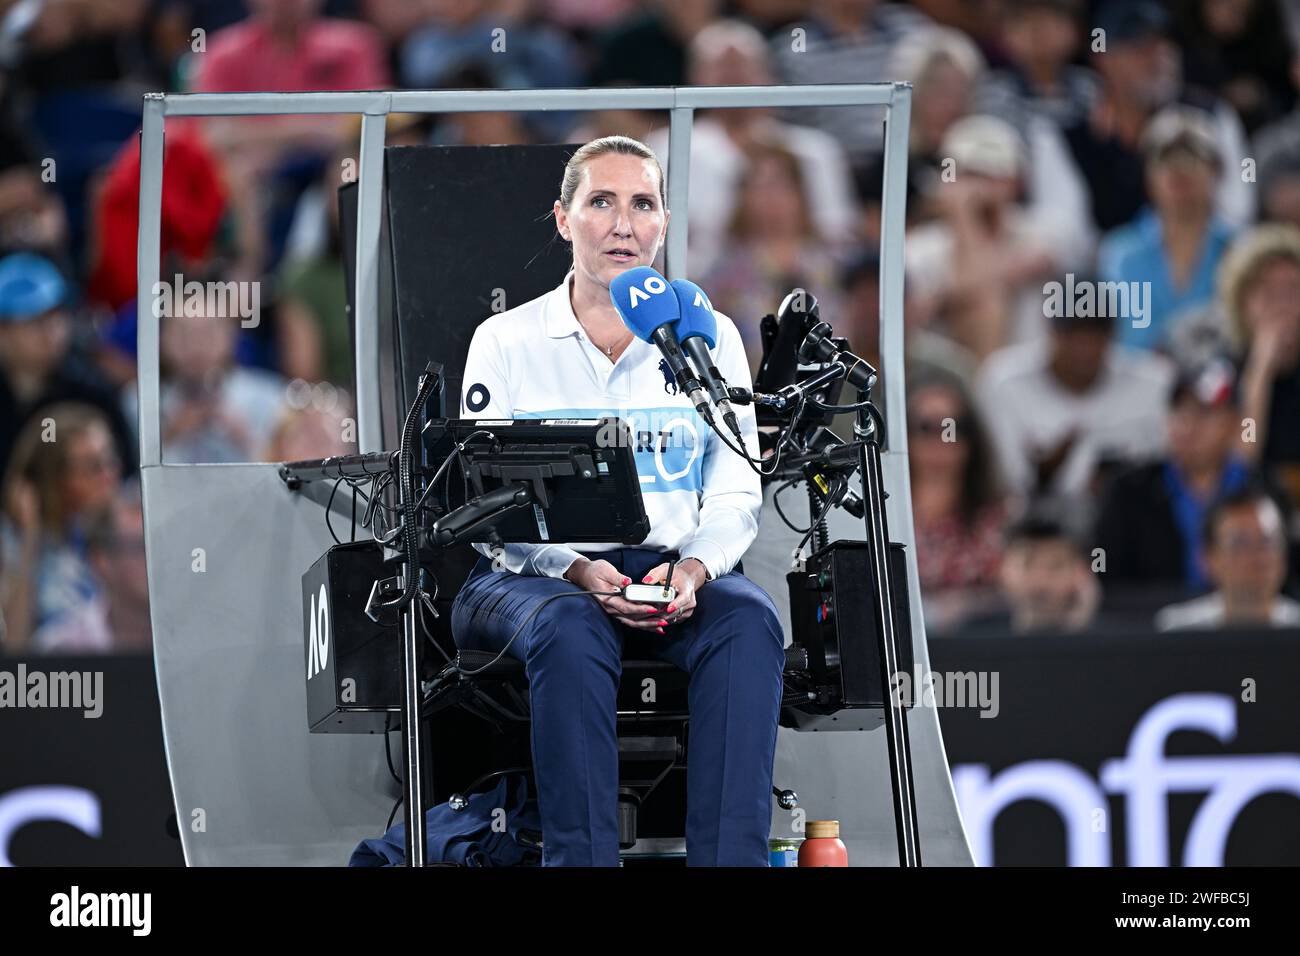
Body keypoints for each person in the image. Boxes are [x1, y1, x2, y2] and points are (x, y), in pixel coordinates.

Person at [450, 135, 785, 867]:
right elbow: (487, 505)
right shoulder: (506, 339)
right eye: (601, 202)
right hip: (532, 575)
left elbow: (735, 488)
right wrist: (574, 568)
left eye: (642, 204)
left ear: (664, 221)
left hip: (669, 570)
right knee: (570, 625)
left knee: (749, 621)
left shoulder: (708, 338)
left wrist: (693, 570)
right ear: (563, 219)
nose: (623, 224)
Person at [1098, 106, 1236, 353]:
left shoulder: (1240, 249)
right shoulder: (1118, 251)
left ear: (1216, 172)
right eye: (1165, 159)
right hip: (1137, 375)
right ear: (1148, 175)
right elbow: (1122, 340)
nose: (1178, 170)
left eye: (1191, 158)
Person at [0, 403, 122, 652]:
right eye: (93, 466)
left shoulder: (129, 535)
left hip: (122, 668)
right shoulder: (14, 541)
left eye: (110, 459)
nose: (109, 475)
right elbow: (14, 645)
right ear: (54, 479)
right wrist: (29, 539)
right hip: (51, 673)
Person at [1155, 487, 1300, 631]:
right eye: (1240, 543)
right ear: (1207, 558)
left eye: (1267, 542)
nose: (1256, 556)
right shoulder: (1178, 629)